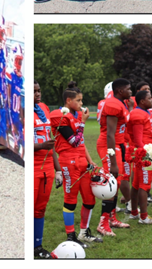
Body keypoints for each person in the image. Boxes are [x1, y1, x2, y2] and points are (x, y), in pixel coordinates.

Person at [49, 82, 102, 248]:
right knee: (71, 199)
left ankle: (84, 232)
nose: (81, 104)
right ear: (68, 101)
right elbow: (73, 141)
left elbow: (82, 143)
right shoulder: (59, 115)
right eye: (78, 101)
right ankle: (70, 236)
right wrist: (84, 123)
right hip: (68, 161)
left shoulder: (77, 115)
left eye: (81, 100)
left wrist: (90, 160)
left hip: (82, 161)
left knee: (89, 198)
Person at [94, 78, 132, 237]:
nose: (131, 91)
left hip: (119, 144)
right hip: (109, 145)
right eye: (128, 89)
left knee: (118, 182)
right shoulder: (113, 104)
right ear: (120, 91)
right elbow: (110, 135)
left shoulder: (120, 103)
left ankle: (112, 218)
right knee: (111, 182)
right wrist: (113, 162)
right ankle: (102, 223)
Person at [34, 83, 62, 258]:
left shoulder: (43, 107)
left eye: (38, 90)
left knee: (40, 209)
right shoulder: (21, 110)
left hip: (47, 167)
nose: (37, 94)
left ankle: (37, 246)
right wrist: (40, 146)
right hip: (33, 166)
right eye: (33, 91)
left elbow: (49, 141)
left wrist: (58, 169)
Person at [125, 89, 152, 224]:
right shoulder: (138, 115)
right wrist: (146, 154)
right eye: (150, 98)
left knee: (136, 185)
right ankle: (144, 217)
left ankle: (134, 213)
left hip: (143, 150)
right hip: (143, 153)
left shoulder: (142, 113)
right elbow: (139, 139)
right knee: (144, 185)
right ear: (142, 101)